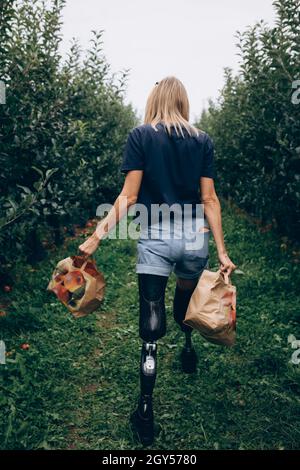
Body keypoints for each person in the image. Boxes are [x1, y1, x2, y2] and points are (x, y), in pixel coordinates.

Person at [79, 76, 237, 447]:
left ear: (154, 100)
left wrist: (96, 236)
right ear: (183, 102)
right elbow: (210, 200)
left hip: (155, 236)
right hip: (194, 238)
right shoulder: (202, 140)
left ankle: (145, 410)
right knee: (184, 298)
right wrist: (223, 252)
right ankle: (187, 347)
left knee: (151, 323)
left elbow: (129, 197)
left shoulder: (141, 136)